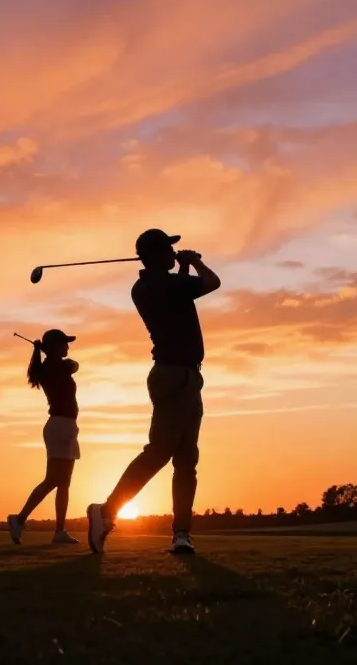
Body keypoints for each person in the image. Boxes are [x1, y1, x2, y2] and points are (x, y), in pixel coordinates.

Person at [87, 229, 221, 556]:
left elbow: (182, 292)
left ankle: (181, 534)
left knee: (186, 459)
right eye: (170, 249)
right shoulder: (162, 284)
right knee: (160, 452)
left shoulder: (148, 285)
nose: (175, 253)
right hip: (175, 375)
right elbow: (212, 282)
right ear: (158, 254)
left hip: (185, 376)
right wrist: (196, 262)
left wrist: (182, 267)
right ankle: (106, 512)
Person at [7, 329, 81, 545]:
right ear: (55, 347)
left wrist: (40, 350)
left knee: (63, 482)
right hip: (61, 425)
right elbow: (74, 365)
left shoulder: (47, 366)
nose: (68, 348)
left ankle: (59, 531)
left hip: (63, 425)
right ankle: (20, 519)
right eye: (64, 344)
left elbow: (72, 364)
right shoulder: (58, 366)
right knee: (54, 480)